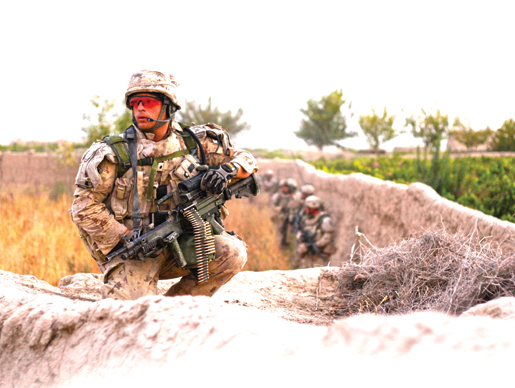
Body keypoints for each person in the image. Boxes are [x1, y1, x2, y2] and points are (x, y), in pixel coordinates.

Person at [70, 69, 258, 300]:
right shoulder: (114, 153)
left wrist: (226, 171)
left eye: (148, 102)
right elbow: (82, 208)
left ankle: (177, 307)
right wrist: (125, 235)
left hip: (182, 242)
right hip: (135, 250)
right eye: (135, 103)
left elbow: (247, 160)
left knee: (232, 252)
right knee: (131, 313)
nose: (140, 108)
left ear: (169, 107)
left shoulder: (195, 143)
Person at [295, 195, 335, 268]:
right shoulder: (305, 219)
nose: (305, 209)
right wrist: (301, 239)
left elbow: (328, 236)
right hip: (308, 253)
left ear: (313, 208)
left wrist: (316, 245)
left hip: (319, 252)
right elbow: (300, 231)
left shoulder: (324, 220)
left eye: (307, 207)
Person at [270, 178, 298, 247]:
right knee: (279, 231)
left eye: (286, 187)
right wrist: (280, 208)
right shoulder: (278, 195)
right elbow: (273, 206)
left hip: (290, 217)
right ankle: (279, 244)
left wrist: (293, 198)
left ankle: (287, 244)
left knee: (289, 232)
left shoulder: (293, 196)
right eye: (283, 187)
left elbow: (296, 205)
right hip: (280, 216)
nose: (284, 188)